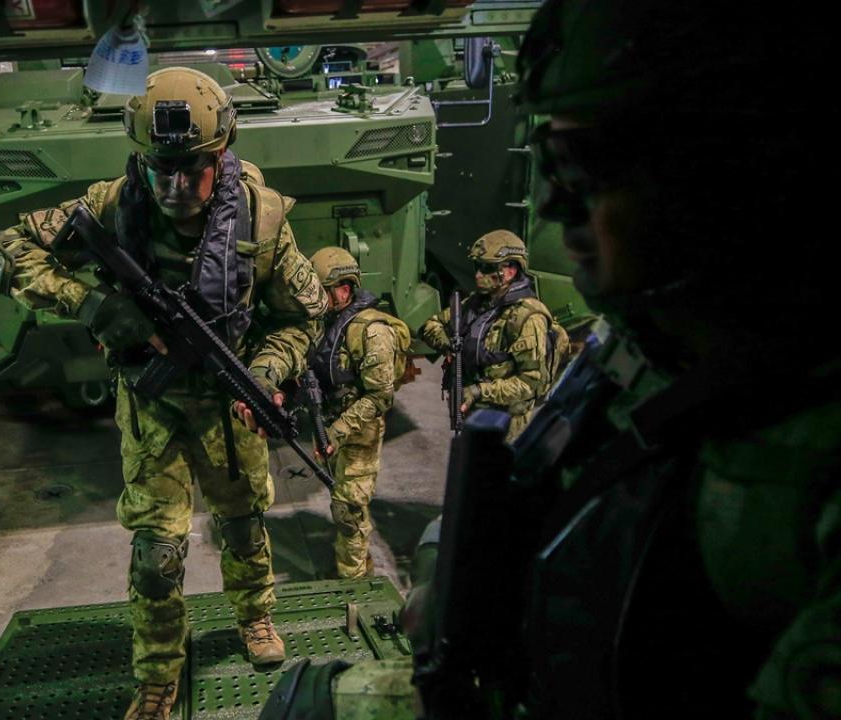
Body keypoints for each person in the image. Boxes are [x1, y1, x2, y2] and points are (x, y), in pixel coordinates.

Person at [260, 2, 838, 718]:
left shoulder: (803, 451)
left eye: (587, 168)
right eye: (551, 162)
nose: (556, 207)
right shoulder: (641, 348)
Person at [0, 66, 329, 720]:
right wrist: (91, 305)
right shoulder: (112, 206)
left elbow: (303, 316)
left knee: (244, 527)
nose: (174, 186)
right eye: (160, 167)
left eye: (192, 168)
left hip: (229, 406)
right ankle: (159, 672)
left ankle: (255, 616)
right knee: (156, 555)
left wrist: (266, 371)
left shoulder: (260, 218)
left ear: (221, 153)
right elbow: (0, 252)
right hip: (152, 405)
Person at [306, 247, 410, 580]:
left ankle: (353, 582)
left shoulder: (372, 331)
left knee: (348, 509)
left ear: (345, 288)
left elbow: (380, 396)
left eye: (324, 290)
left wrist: (337, 431)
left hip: (360, 429)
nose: (317, 297)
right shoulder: (325, 321)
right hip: (331, 423)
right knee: (342, 499)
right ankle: (359, 566)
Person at [418, 230, 563, 443]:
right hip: (473, 412)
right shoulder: (475, 304)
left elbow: (530, 384)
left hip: (505, 422)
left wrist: (479, 391)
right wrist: (449, 345)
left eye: (487, 268)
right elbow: (431, 325)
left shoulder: (528, 318)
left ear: (511, 271)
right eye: (477, 267)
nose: (478, 275)